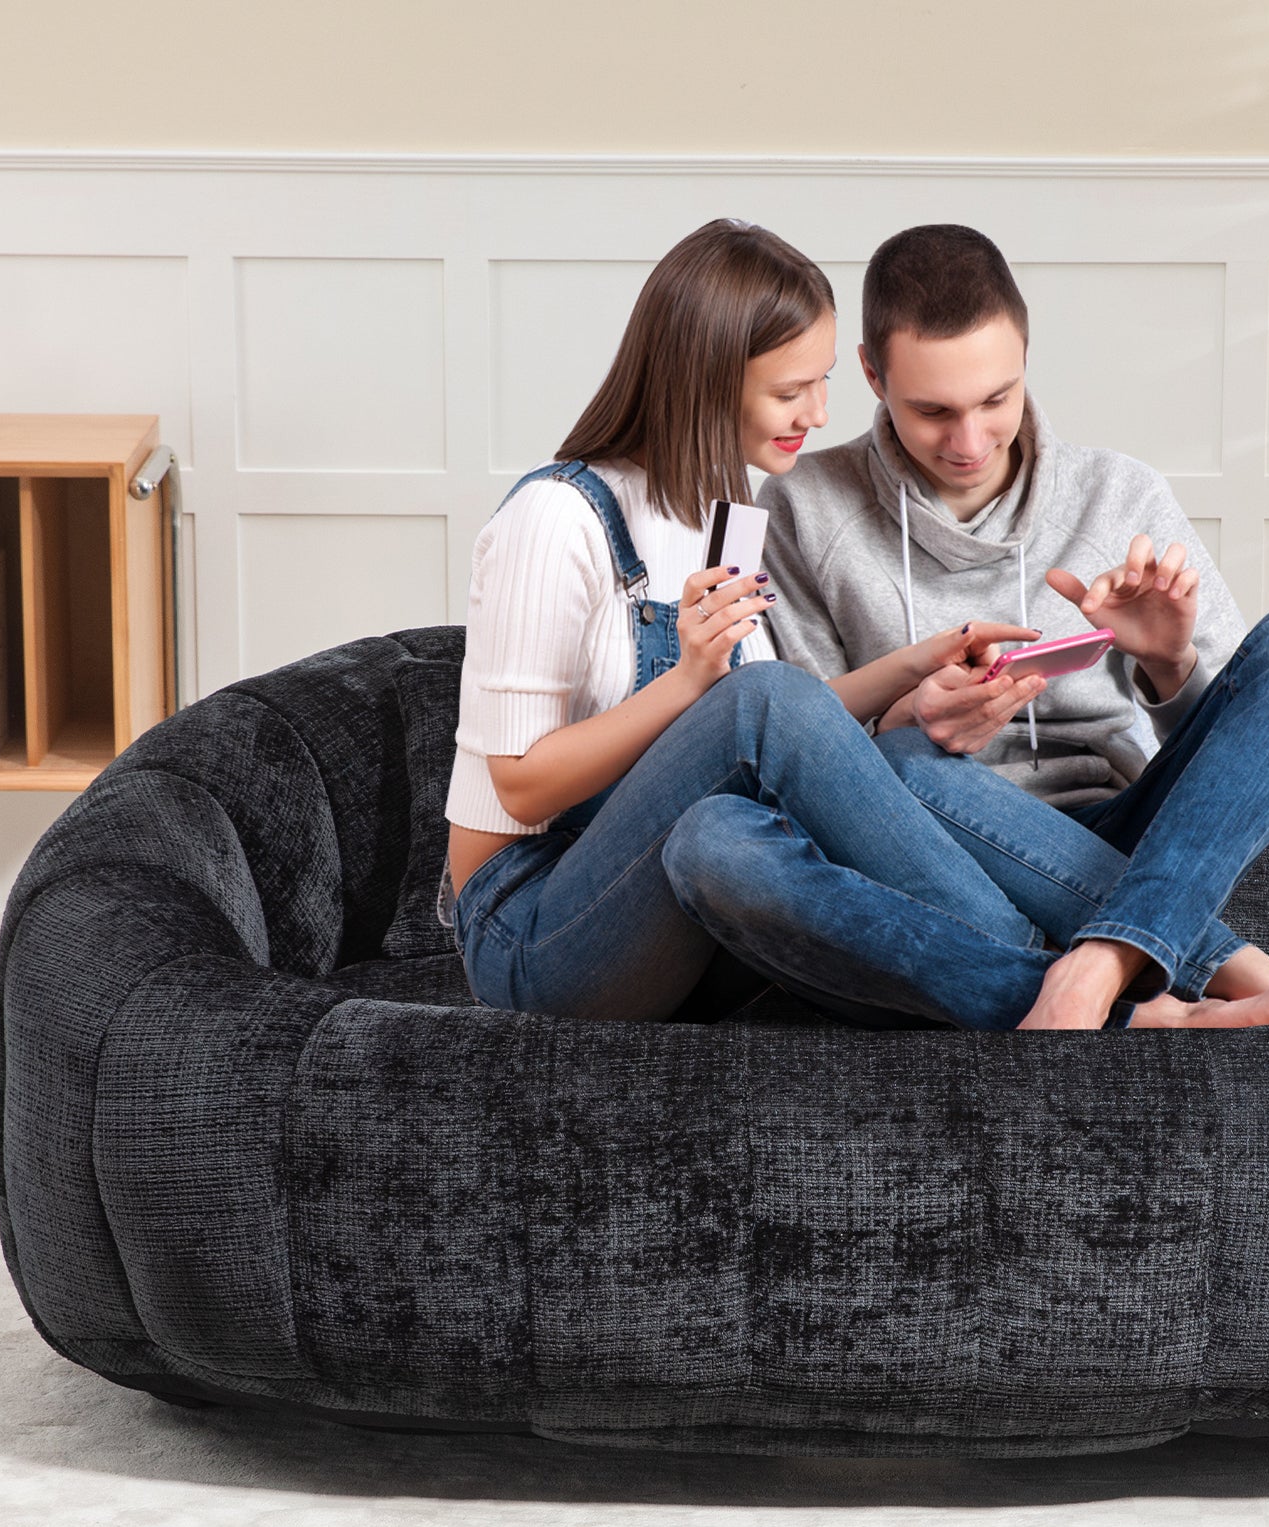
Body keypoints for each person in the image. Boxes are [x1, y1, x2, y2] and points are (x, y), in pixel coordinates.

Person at [672, 224, 1269, 1032]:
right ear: (871, 373)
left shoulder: (1119, 493)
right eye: (932, 410)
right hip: (925, 858)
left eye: (995, 401)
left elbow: (1239, 770)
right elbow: (803, 758)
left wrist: (1168, 664)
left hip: (1126, 834)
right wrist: (906, 720)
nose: (968, 442)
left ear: (1026, 359)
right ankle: (1170, 991)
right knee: (807, 803)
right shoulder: (800, 509)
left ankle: (1103, 961)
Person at [443, 218, 1048, 1020]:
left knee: (900, 752)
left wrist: (918, 662)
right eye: (791, 391)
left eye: (824, 381)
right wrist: (690, 681)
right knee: (759, 697)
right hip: (534, 926)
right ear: (705, 380)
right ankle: (1055, 976)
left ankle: (1127, 949)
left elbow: (772, 738)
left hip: (671, 903)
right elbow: (520, 786)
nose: (820, 413)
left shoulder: (724, 514)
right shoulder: (556, 519)